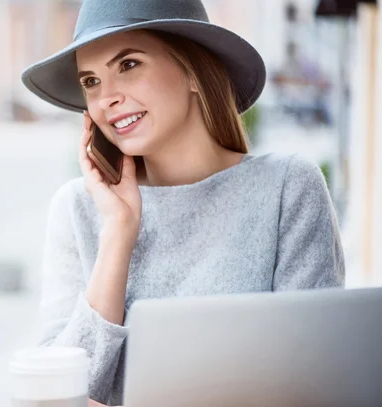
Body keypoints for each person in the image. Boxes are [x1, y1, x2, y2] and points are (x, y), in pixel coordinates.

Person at [21, 0, 345, 406]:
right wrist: (119, 233)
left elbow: (314, 381)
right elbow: (56, 393)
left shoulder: (288, 188)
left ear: (192, 70)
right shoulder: (76, 208)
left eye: (128, 65)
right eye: (90, 81)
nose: (106, 99)